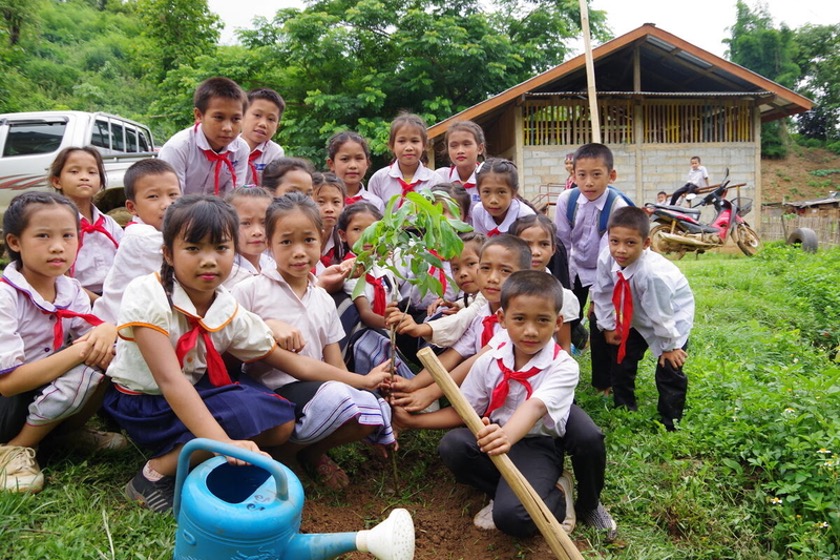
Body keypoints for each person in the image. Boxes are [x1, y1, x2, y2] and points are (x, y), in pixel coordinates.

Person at [103, 195, 325, 513]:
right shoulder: (147, 293)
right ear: (168, 253)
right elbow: (169, 381)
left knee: (279, 423)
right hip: (146, 402)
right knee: (235, 423)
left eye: (220, 248)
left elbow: (286, 359)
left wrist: (359, 379)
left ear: (234, 252)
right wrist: (224, 442)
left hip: (192, 389)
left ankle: (203, 453)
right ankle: (153, 474)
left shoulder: (224, 304)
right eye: (193, 249)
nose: (209, 260)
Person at [394, 271, 578, 538]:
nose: (530, 330)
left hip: (535, 444)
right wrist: (413, 422)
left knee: (513, 519)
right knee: (454, 445)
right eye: (519, 319)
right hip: (494, 435)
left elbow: (535, 406)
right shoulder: (491, 359)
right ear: (502, 319)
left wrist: (504, 437)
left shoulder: (564, 366)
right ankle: (503, 490)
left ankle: (559, 493)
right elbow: (465, 410)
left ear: (558, 322)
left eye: (542, 321)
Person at [232, 193, 394, 490]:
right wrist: (361, 380)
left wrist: (363, 387)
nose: (298, 252)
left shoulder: (323, 299)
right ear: (268, 244)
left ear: (321, 239)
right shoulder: (250, 290)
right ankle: (280, 456)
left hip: (314, 390)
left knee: (372, 409)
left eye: (308, 240)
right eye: (286, 242)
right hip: (264, 392)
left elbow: (332, 360)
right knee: (340, 396)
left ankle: (310, 450)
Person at [1, 192, 122, 494]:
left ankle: (64, 434)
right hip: (6, 405)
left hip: (41, 394)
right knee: (89, 356)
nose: (58, 247)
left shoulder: (71, 289)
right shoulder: (5, 296)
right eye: (43, 236)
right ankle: (13, 449)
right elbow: (8, 384)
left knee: (108, 353)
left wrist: (107, 329)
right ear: (15, 242)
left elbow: (94, 336)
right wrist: (84, 348)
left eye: (68, 236)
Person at [388, 235, 531, 413]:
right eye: (486, 268)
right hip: (485, 392)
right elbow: (455, 354)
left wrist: (429, 393)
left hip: (519, 402)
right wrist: (413, 384)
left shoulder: (520, 319)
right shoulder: (483, 313)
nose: (493, 278)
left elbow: (475, 360)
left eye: (505, 271)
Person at [591, 207, 693, 431]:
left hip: (672, 318)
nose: (621, 250)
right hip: (637, 315)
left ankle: (670, 422)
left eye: (630, 243)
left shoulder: (653, 275)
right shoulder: (606, 258)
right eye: (614, 241)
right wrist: (607, 325)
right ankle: (624, 407)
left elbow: (661, 314)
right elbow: (602, 292)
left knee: (669, 367)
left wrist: (669, 346)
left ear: (646, 243)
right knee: (622, 357)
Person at [554, 143, 634, 395]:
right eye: (582, 175)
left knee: (601, 322)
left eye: (596, 174)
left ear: (611, 176)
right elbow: (562, 244)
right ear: (573, 175)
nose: (588, 182)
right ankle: (557, 366)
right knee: (564, 316)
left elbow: (606, 256)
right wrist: (563, 286)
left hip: (605, 271)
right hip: (573, 268)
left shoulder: (617, 207)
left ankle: (603, 383)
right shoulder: (567, 200)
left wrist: (598, 299)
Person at [92, 159, 181, 324]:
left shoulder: (163, 231)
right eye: (153, 196)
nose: (167, 204)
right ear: (132, 207)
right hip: (116, 328)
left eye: (173, 195)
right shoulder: (141, 237)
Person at [48, 146, 123, 299]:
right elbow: (60, 278)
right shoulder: (55, 226)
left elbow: (126, 260)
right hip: (75, 299)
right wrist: (99, 302)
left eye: (92, 172)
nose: (84, 177)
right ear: (57, 181)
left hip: (114, 295)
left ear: (101, 182)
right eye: (74, 172)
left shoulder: (109, 224)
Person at [158, 77, 250, 196]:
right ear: (199, 115)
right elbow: (172, 200)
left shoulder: (241, 149)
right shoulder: (178, 148)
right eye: (219, 117)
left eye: (236, 119)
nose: (228, 128)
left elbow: (235, 198)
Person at [509, 214, 578, 353]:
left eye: (544, 244)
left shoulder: (563, 296)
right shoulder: (505, 289)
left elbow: (564, 345)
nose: (536, 252)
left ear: (553, 249)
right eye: (527, 244)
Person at [338, 202, 394, 330]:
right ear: (343, 235)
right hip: (365, 336)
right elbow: (365, 314)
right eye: (357, 229)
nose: (366, 236)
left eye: (372, 229)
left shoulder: (384, 265)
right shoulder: (349, 271)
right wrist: (394, 324)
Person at [368, 113, 441, 207]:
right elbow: (372, 214)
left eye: (414, 141)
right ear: (391, 145)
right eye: (402, 141)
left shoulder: (435, 181)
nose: (409, 147)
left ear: (424, 145)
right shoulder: (379, 180)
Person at [222, 186, 275, 290]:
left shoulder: (272, 264)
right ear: (227, 224)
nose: (257, 232)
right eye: (246, 223)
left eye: (264, 223)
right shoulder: (227, 272)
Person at [470, 158, 535, 237]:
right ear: (478, 191)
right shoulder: (479, 212)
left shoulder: (525, 217)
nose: (493, 200)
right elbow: (480, 245)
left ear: (513, 192)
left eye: (501, 192)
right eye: (486, 192)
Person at [435, 121, 486, 215]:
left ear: (480, 148)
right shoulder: (440, 177)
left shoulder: (488, 178)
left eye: (466, 144)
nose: (460, 151)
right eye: (453, 146)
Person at [326, 131, 383, 213]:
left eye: (359, 158)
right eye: (345, 159)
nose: (353, 165)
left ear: (367, 163)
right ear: (331, 164)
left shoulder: (375, 204)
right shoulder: (323, 202)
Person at [242, 88, 286, 185]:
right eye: (257, 115)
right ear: (242, 115)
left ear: (277, 127)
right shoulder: (228, 146)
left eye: (271, 119)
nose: (263, 124)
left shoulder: (275, 153)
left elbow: (272, 188)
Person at [312, 172, 347, 270]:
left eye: (336, 202)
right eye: (321, 202)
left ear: (344, 204)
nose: (329, 209)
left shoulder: (344, 239)